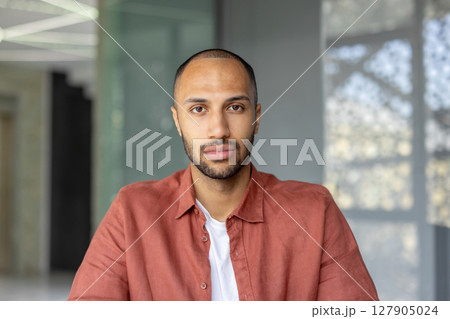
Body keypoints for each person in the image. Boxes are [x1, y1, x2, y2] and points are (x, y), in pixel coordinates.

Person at [68, 49, 378, 301]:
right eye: (199, 109)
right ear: (177, 121)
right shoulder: (131, 211)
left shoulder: (315, 211)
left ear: (256, 118)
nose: (218, 130)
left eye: (235, 107)